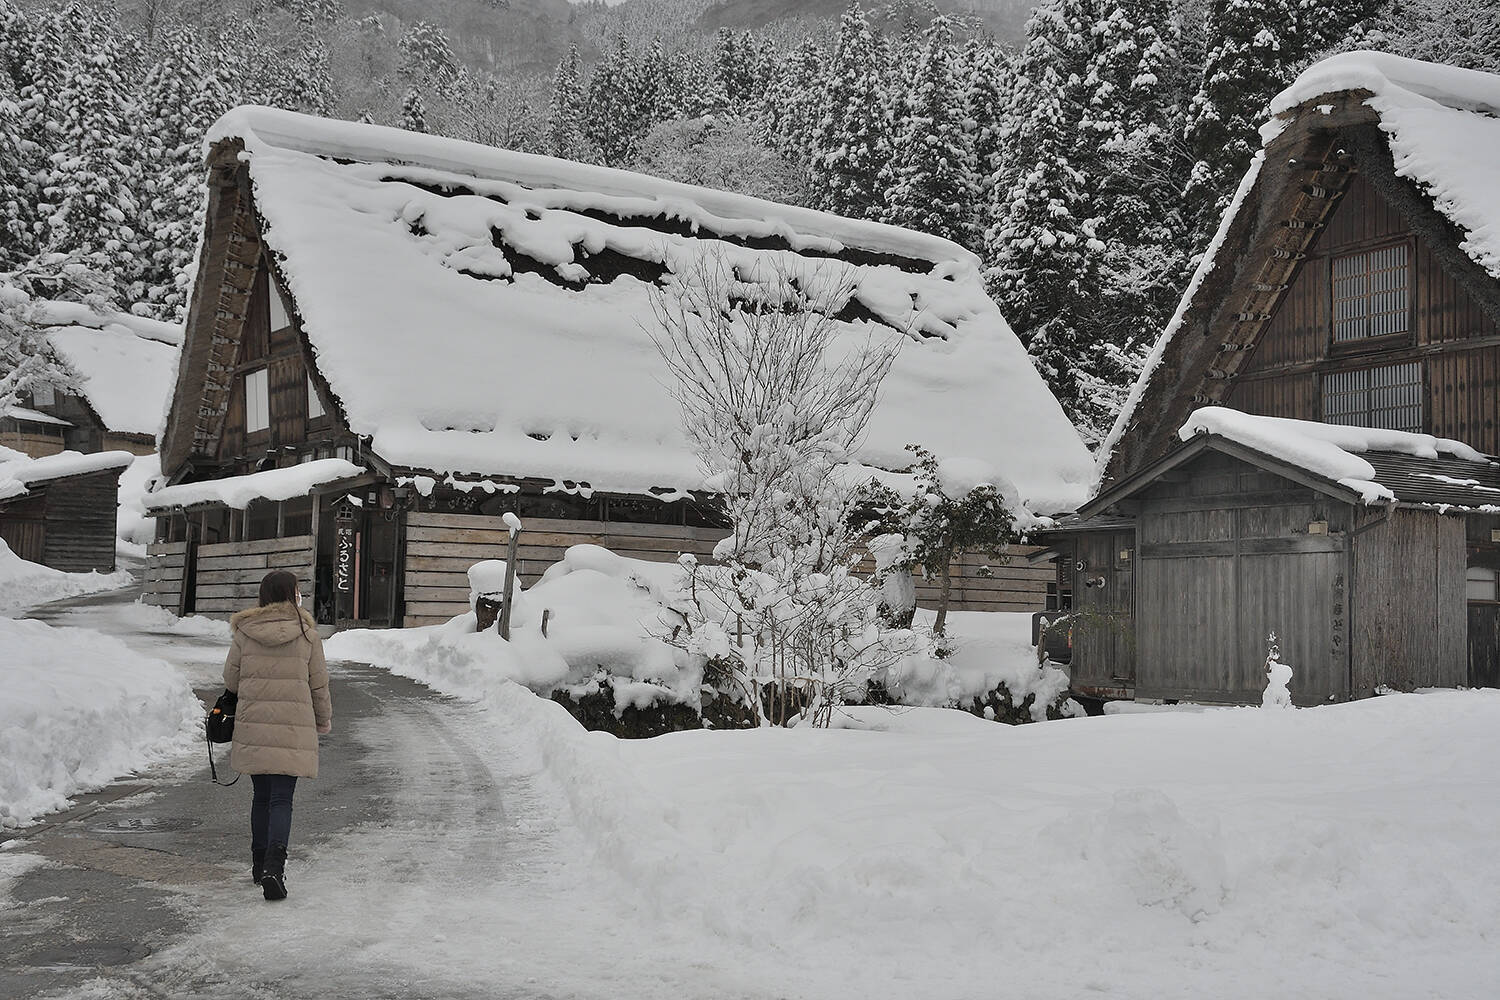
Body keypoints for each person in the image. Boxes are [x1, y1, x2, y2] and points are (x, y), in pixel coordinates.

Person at [223, 569, 332, 901]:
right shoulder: (307, 635)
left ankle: (258, 866)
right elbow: (319, 685)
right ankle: (275, 866)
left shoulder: (245, 632)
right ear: (292, 594)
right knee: (283, 799)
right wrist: (323, 720)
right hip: (292, 727)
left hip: (254, 725)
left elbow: (230, 679)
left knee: (261, 798)